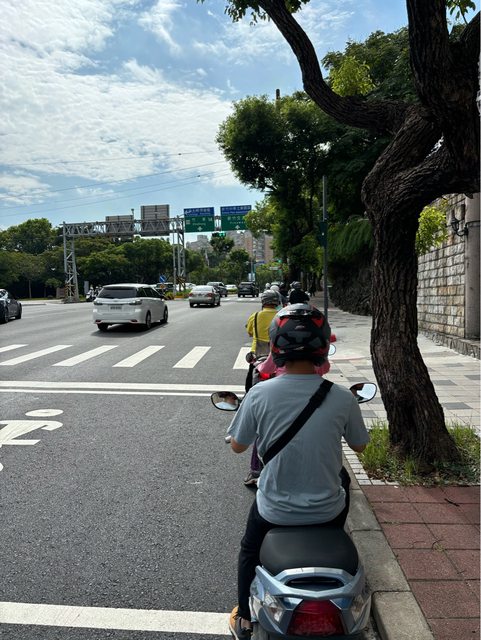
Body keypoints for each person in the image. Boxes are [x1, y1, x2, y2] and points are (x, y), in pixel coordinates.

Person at [226, 304, 369, 639]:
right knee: (342, 481)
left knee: (249, 550)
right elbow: (361, 447)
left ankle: (244, 616)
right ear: (323, 346)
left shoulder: (259, 394)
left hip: (274, 510)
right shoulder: (341, 397)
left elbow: (238, 447)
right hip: (328, 511)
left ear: (276, 346)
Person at [244, 290, 280, 392]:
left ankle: (248, 396)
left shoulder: (255, 316)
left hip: (258, 353)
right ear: (277, 302)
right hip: (278, 354)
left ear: (263, 301)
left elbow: (250, 332)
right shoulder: (281, 316)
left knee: (250, 378)